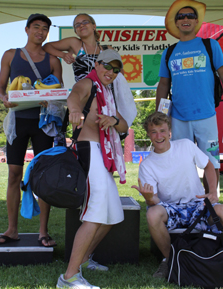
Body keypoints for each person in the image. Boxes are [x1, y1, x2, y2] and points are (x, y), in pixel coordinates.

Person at [132, 111, 223, 279]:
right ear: (148, 135)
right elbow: (155, 202)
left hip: (198, 205)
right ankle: (170, 260)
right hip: (172, 209)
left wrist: (211, 191)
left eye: (162, 131)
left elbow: (209, 166)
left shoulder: (185, 145)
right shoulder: (147, 165)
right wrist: (149, 197)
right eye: (154, 132)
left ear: (170, 132)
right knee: (152, 214)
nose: (159, 136)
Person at [56, 49, 128, 289]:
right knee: (95, 214)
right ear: (97, 64)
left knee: (112, 214)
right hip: (90, 151)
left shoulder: (107, 92)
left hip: (103, 156)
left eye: (116, 69)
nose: (111, 72)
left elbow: (124, 124)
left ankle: (85, 260)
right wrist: (75, 110)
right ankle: (69, 277)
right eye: (108, 66)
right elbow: (74, 96)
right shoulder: (88, 83)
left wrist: (113, 121)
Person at [0, 14, 62, 246]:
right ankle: (12, 230)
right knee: (14, 174)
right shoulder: (11, 55)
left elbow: (58, 93)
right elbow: (1, 89)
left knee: (42, 177)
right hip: (18, 121)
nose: (40, 32)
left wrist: (49, 99)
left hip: (43, 123)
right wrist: (3, 99)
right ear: (27, 29)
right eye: (36, 27)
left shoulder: (52, 60)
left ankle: (43, 232)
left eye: (44, 29)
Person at [156, 0, 223, 193]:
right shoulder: (169, 52)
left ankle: (210, 206)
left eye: (190, 16)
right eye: (181, 17)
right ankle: (187, 204)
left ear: (196, 21)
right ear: (176, 23)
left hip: (207, 116)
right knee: (181, 164)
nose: (185, 19)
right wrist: (160, 114)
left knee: (211, 163)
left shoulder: (211, 45)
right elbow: (164, 84)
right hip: (178, 117)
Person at [43, 13, 112, 83]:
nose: (81, 25)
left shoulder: (107, 49)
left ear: (94, 26)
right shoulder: (75, 43)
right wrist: (63, 55)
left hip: (106, 92)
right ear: (76, 32)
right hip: (83, 92)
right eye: (77, 25)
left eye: (85, 22)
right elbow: (46, 46)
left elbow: (119, 73)